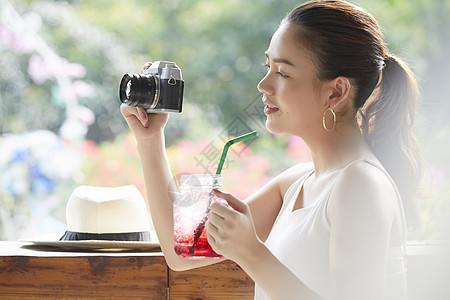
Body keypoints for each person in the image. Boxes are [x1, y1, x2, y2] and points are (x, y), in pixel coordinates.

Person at [121, 0, 422, 299]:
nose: (263, 85)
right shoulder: (296, 183)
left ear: (336, 91)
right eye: (268, 66)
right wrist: (150, 139)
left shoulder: (361, 185)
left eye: (283, 73)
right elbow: (183, 252)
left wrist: (251, 251)